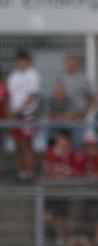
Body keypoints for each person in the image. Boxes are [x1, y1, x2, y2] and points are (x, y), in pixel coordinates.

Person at [72, 131, 98, 246]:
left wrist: (94, 177)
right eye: (87, 146)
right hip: (85, 194)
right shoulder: (80, 157)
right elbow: (76, 172)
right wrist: (87, 175)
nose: (90, 149)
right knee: (84, 217)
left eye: (93, 146)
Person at [7, 50, 41, 182]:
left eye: (23, 61)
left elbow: (32, 95)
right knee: (18, 144)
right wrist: (11, 110)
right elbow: (10, 95)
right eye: (18, 61)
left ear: (28, 61)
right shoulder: (13, 76)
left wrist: (19, 109)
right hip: (15, 116)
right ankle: (21, 172)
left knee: (27, 144)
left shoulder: (33, 75)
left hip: (27, 115)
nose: (20, 63)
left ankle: (29, 172)